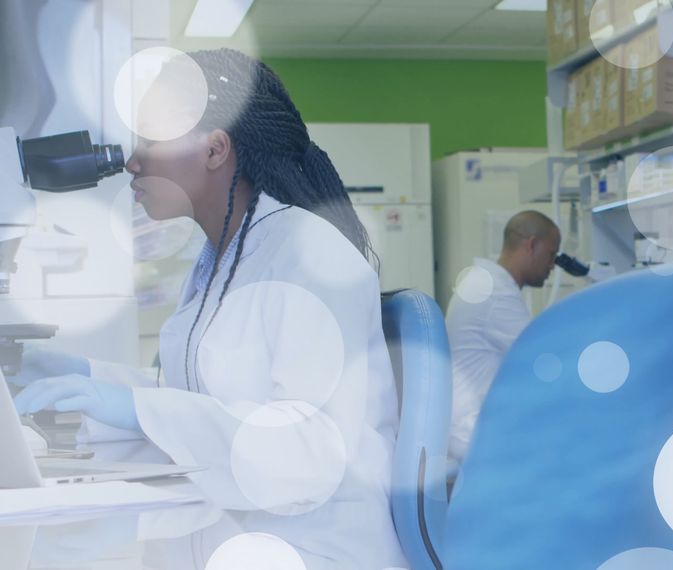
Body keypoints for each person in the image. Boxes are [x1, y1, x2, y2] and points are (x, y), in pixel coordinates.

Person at [10, 49, 406, 567]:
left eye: (149, 139)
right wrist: (83, 377)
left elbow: (308, 454)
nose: (131, 160)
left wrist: (133, 410)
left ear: (216, 149)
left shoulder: (310, 256)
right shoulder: (221, 259)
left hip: (317, 550)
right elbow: (201, 404)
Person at [445, 210, 561, 467]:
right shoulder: (495, 293)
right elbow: (542, 361)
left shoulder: (485, 282)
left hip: (467, 426)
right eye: (551, 254)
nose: (552, 265)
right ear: (531, 245)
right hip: (473, 432)